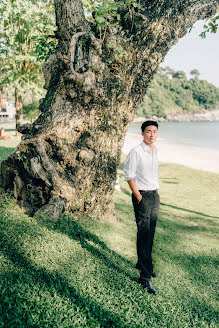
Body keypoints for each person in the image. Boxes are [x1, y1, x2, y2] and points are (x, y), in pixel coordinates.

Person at [124, 120, 160, 295]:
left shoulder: (155, 150)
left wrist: (157, 191)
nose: (151, 134)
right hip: (142, 196)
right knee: (144, 234)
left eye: (154, 131)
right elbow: (129, 176)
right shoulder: (136, 152)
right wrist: (139, 196)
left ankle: (143, 263)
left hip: (154, 195)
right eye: (148, 131)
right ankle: (144, 277)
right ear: (142, 133)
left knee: (150, 233)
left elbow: (154, 173)